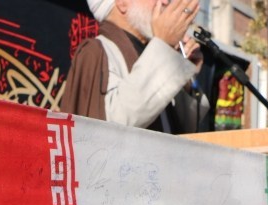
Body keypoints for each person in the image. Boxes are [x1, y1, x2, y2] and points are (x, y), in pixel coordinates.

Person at [60, 0, 210, 135]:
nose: (165, 2)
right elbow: (112, 126)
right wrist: (164, 45)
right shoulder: (95, 52)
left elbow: (180, 130)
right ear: (122, 3)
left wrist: (185, 81)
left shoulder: (151, 52)